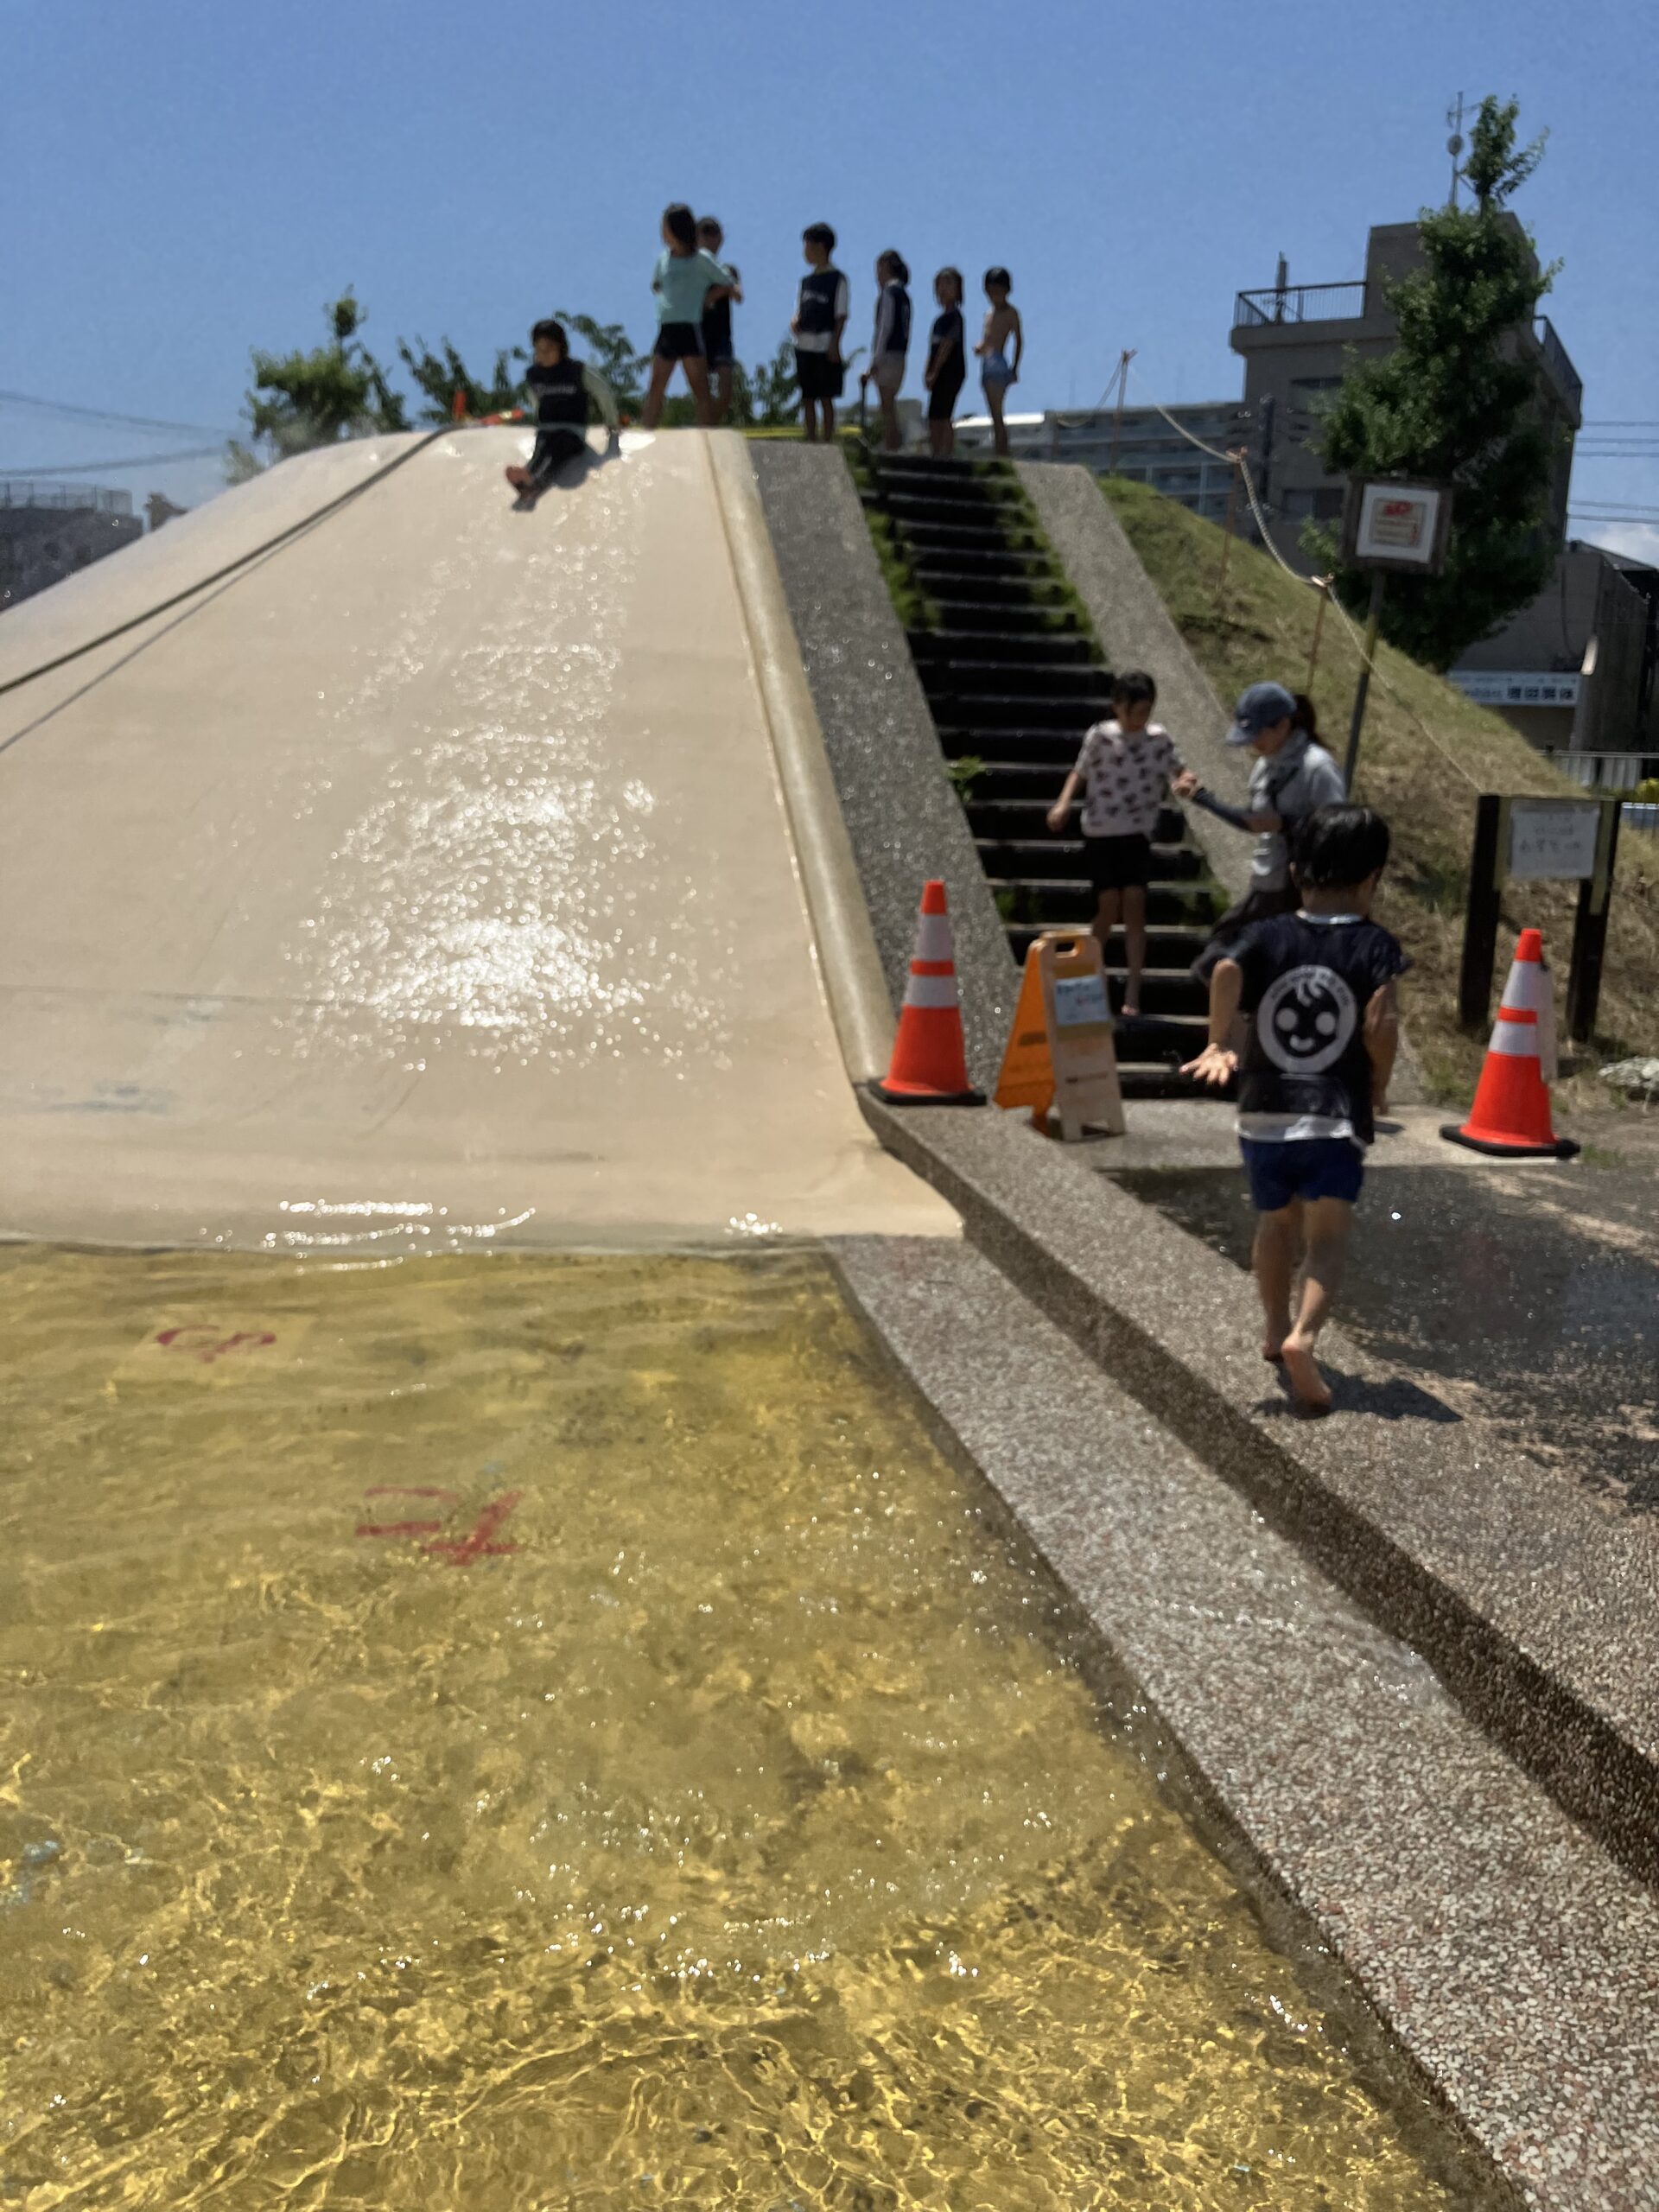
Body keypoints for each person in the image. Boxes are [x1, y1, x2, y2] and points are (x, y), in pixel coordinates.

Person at [1181, 804, 1405, 1414]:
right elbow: (1381, 1020)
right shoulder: (1374, 944)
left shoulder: (1268, 933)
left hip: (1264, 1110)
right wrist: (1378, 1084)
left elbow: (1226, 968)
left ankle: (1273, 1327)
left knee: (1275, 1222)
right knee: (1327, 1236)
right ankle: (1304, 1336)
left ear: (1297, 871)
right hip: (1334, 1115)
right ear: (1372, 879)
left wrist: (1218, 1042)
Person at [1175, 680, 1345, 981]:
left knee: (1227, 962)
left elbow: (1340, 829)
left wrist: (1287, 824)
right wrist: (1202, 797)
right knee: (1220, 956)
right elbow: (1253, 820)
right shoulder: (1265, 766)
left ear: (1283, 725)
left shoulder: (1317, 767)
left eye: (1258, 734)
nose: (1253, 743)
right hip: (1267, 883)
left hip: (1302, 890)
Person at [1045, 670, 1185, 1020]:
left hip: (1137, 832)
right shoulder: (1100, 736)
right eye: (1135, 711)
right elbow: (1080, 771)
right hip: (1100, 831)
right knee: (1108, 906)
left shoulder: (1159, 739)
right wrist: (1063, 803)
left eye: (1146, 711)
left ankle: (1133, 987)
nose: (1141, 719)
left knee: (1135, 904)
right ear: (1118, 706)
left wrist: (1185, 781)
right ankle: (1085, 972)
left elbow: (1179, 771)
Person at [505, 319, 620, 499]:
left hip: (572, 431)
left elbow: (603, 392)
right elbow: (535, 401)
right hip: (547, 429)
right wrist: (538, 420)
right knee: (540, 450)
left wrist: (612, 422)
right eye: (539, 349)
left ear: (561, 347)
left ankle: (536, 483)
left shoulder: (577, 371)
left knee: (556, 451)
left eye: (549, 348)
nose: (544, 354)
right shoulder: (533, 375)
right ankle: (526, 475)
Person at [642, 203, 733, 430]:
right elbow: (656, 284)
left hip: (690, 328)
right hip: (667, 329)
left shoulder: (701, 259)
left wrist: (706, 299)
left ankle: (707, 438)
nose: (662, 232)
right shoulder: (663, 259)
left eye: (664, 227)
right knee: (656, 386)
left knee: (700, 389)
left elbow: (726, 283)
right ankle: (646, 434)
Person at [792, 221, 850, 442]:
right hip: (804, 344)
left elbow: (841, 315)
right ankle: (810, 438)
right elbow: (800, 310)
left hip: (825, 343)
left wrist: (835, 344)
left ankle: (826, 441)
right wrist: (795, 321)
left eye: (807, 246)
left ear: (820, 246)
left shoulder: (838, 279)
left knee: (826, 397)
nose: (805, 252)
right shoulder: (805, 281)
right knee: (807, 397)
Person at [860, 250, 911, 453]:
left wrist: (875, 361)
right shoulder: (904, 295)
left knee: (887, 406)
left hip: (888, 354)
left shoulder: (889, 293)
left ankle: (892, 447)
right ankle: (892, 445)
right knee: (889, 404)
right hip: (900, 354)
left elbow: (884, 327)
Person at [696, 215, 743, 425]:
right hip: (699, 335)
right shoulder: (693, 272)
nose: (710, 239)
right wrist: (722, 290)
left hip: (722, 336)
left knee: (726, 392)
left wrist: (725, 287)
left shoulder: (728, 270)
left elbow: (738, 295)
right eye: (706, 233)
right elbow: (698, 302)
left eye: (714, 234)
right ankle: (705, 429)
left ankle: (709, 427)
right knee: (702, 394)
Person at [975, 267, 1022, 458]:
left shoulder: (1011, 313)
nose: (994, 296)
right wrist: (980, 348)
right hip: (987, 361)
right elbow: (987, 339)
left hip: (998, 362)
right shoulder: (989, 314)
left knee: (997, 413)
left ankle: (1002, 454)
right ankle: (1000, 453)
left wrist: (1015, 367)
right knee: (994, 413)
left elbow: (1019, 340)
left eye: (998, 292)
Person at [923, 268, 967, 458]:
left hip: (951, 370)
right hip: (938, 372)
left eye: (948, 283)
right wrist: (927, 371)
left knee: (944, 415)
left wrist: (935, 370)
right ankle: (936, 453)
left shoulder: (955, 317)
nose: (943, 288)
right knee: (934, 416)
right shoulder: (939, 321)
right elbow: (932, 349)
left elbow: (947, 345)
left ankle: (945, 455)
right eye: (940, 284)